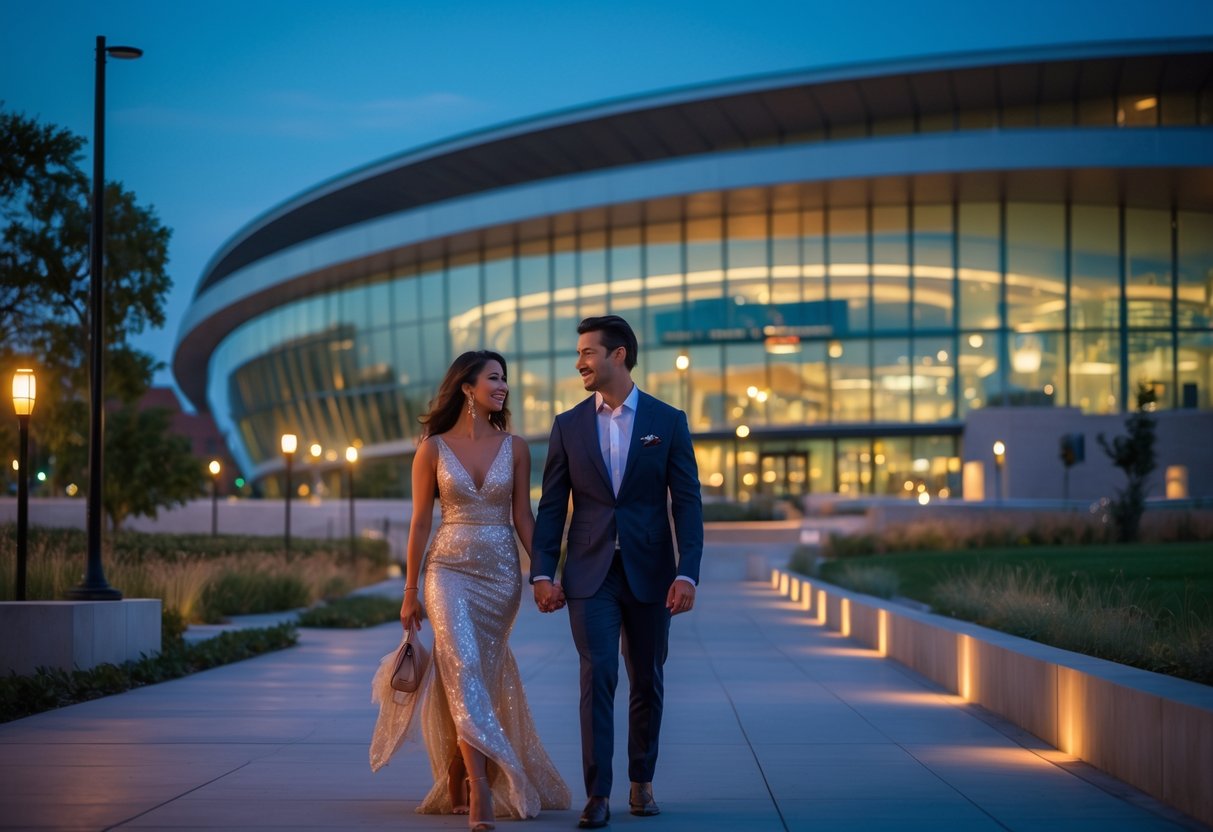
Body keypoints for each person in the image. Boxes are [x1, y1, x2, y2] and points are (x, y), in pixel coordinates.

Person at [530, 315, 704, 829]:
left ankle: (641, 781)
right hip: (589, 575)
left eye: (587, 352)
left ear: (618, 355)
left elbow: (687, 503)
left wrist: (687, 572)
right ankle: (598, 793)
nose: (579, 361)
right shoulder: (568, 425)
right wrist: (543, 571)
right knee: (599, 673)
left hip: (653, 573)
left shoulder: (667, 420)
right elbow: (552, 505)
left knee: (647, 679)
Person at [399, 350, 571, 831]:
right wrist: (410, 590)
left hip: (499, 577)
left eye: (505, 379)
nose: (503, 386)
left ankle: (457, 770)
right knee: (463, 663)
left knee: (479, 675)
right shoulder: (431, 449)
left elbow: (523, 517)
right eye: (494, 378)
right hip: (447, 569)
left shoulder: (515, 447)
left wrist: (544, 573)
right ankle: (480, 790)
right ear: (466, 387)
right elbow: (418, 525)